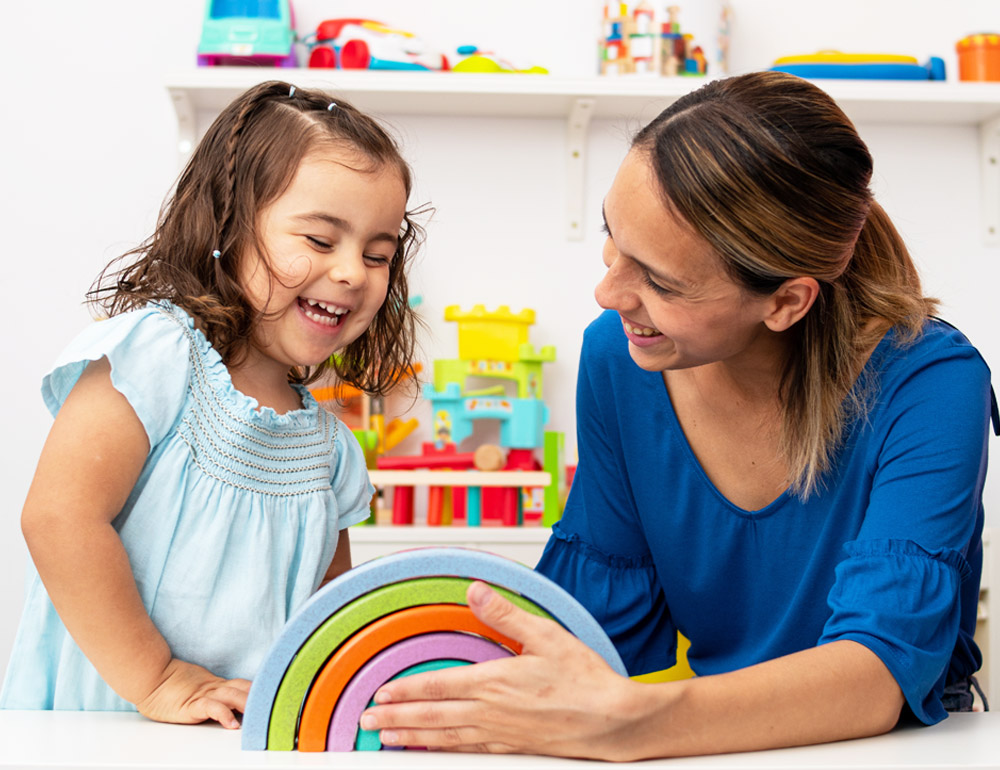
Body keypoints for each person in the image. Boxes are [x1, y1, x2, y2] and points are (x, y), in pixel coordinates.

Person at [358, 71, 998, 759]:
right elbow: (598, 631)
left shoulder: (932, 383)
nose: (607, 292)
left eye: (659, 281)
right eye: (613, 238)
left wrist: (635, 723)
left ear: (786, 302)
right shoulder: (619, 359)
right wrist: (416, 675)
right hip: (709, 748)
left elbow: (878, 673)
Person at [0, 80, 421, 729]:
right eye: (318, 240)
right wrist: (159, 678)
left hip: (238, 737)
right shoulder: (156, 355)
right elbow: (59, 519)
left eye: (377, 255)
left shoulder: (329, 448)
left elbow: (325, 620)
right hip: (104, 728)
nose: (351, 273)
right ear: (227, 227)